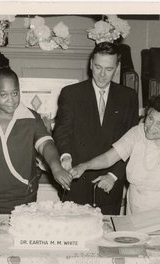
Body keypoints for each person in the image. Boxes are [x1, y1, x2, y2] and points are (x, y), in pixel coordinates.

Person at [0, 65, 72, 214]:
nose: (11, 100)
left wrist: (56, 166)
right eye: (4, 94)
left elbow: (46, 144)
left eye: (15, 93)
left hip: (22, 201)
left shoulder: (31, 118)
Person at [71, 91, 160, 214]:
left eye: (159, 124)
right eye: (150, 118)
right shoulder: (136, 133)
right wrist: (85, 165)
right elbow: (108, 158)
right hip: (138, 206)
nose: (151, 127)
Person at [53, 41, 139, 215]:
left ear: (117, 67)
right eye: (98, 67)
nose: (102, 75)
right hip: (76, 181)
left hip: (109, 183)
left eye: (108, 69)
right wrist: (65, 156)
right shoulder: (71, 93)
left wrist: (114, 176)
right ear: (91, 63)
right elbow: (63, 131)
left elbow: (132, 142)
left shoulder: (128, 97)